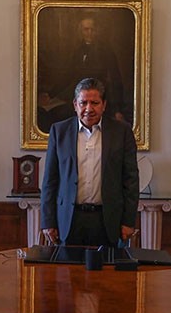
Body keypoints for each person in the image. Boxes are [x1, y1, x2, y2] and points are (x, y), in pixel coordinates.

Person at [41, 78, 139, 247]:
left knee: (107, 265)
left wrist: (129, 221)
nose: (88, 109)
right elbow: (50, 180)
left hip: (107, 220)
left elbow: (131, 180)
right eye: (83, 103)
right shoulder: (59, 132)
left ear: (104, 105)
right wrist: (48, 221)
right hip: (69, 220)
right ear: (75, 104)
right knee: (67, 265)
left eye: (94, 103)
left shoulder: (121, 132)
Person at [64, 17, 126, 122]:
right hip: (81, 99)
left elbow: (115, 79)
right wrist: (51, 95)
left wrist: (117, 110)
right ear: (80, 31)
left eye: (92, 29)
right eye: (86, 29)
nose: (89, 33)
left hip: (103, 99)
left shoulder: (106, 51)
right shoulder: (77, 50)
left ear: (96, 31)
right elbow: (69, 75)